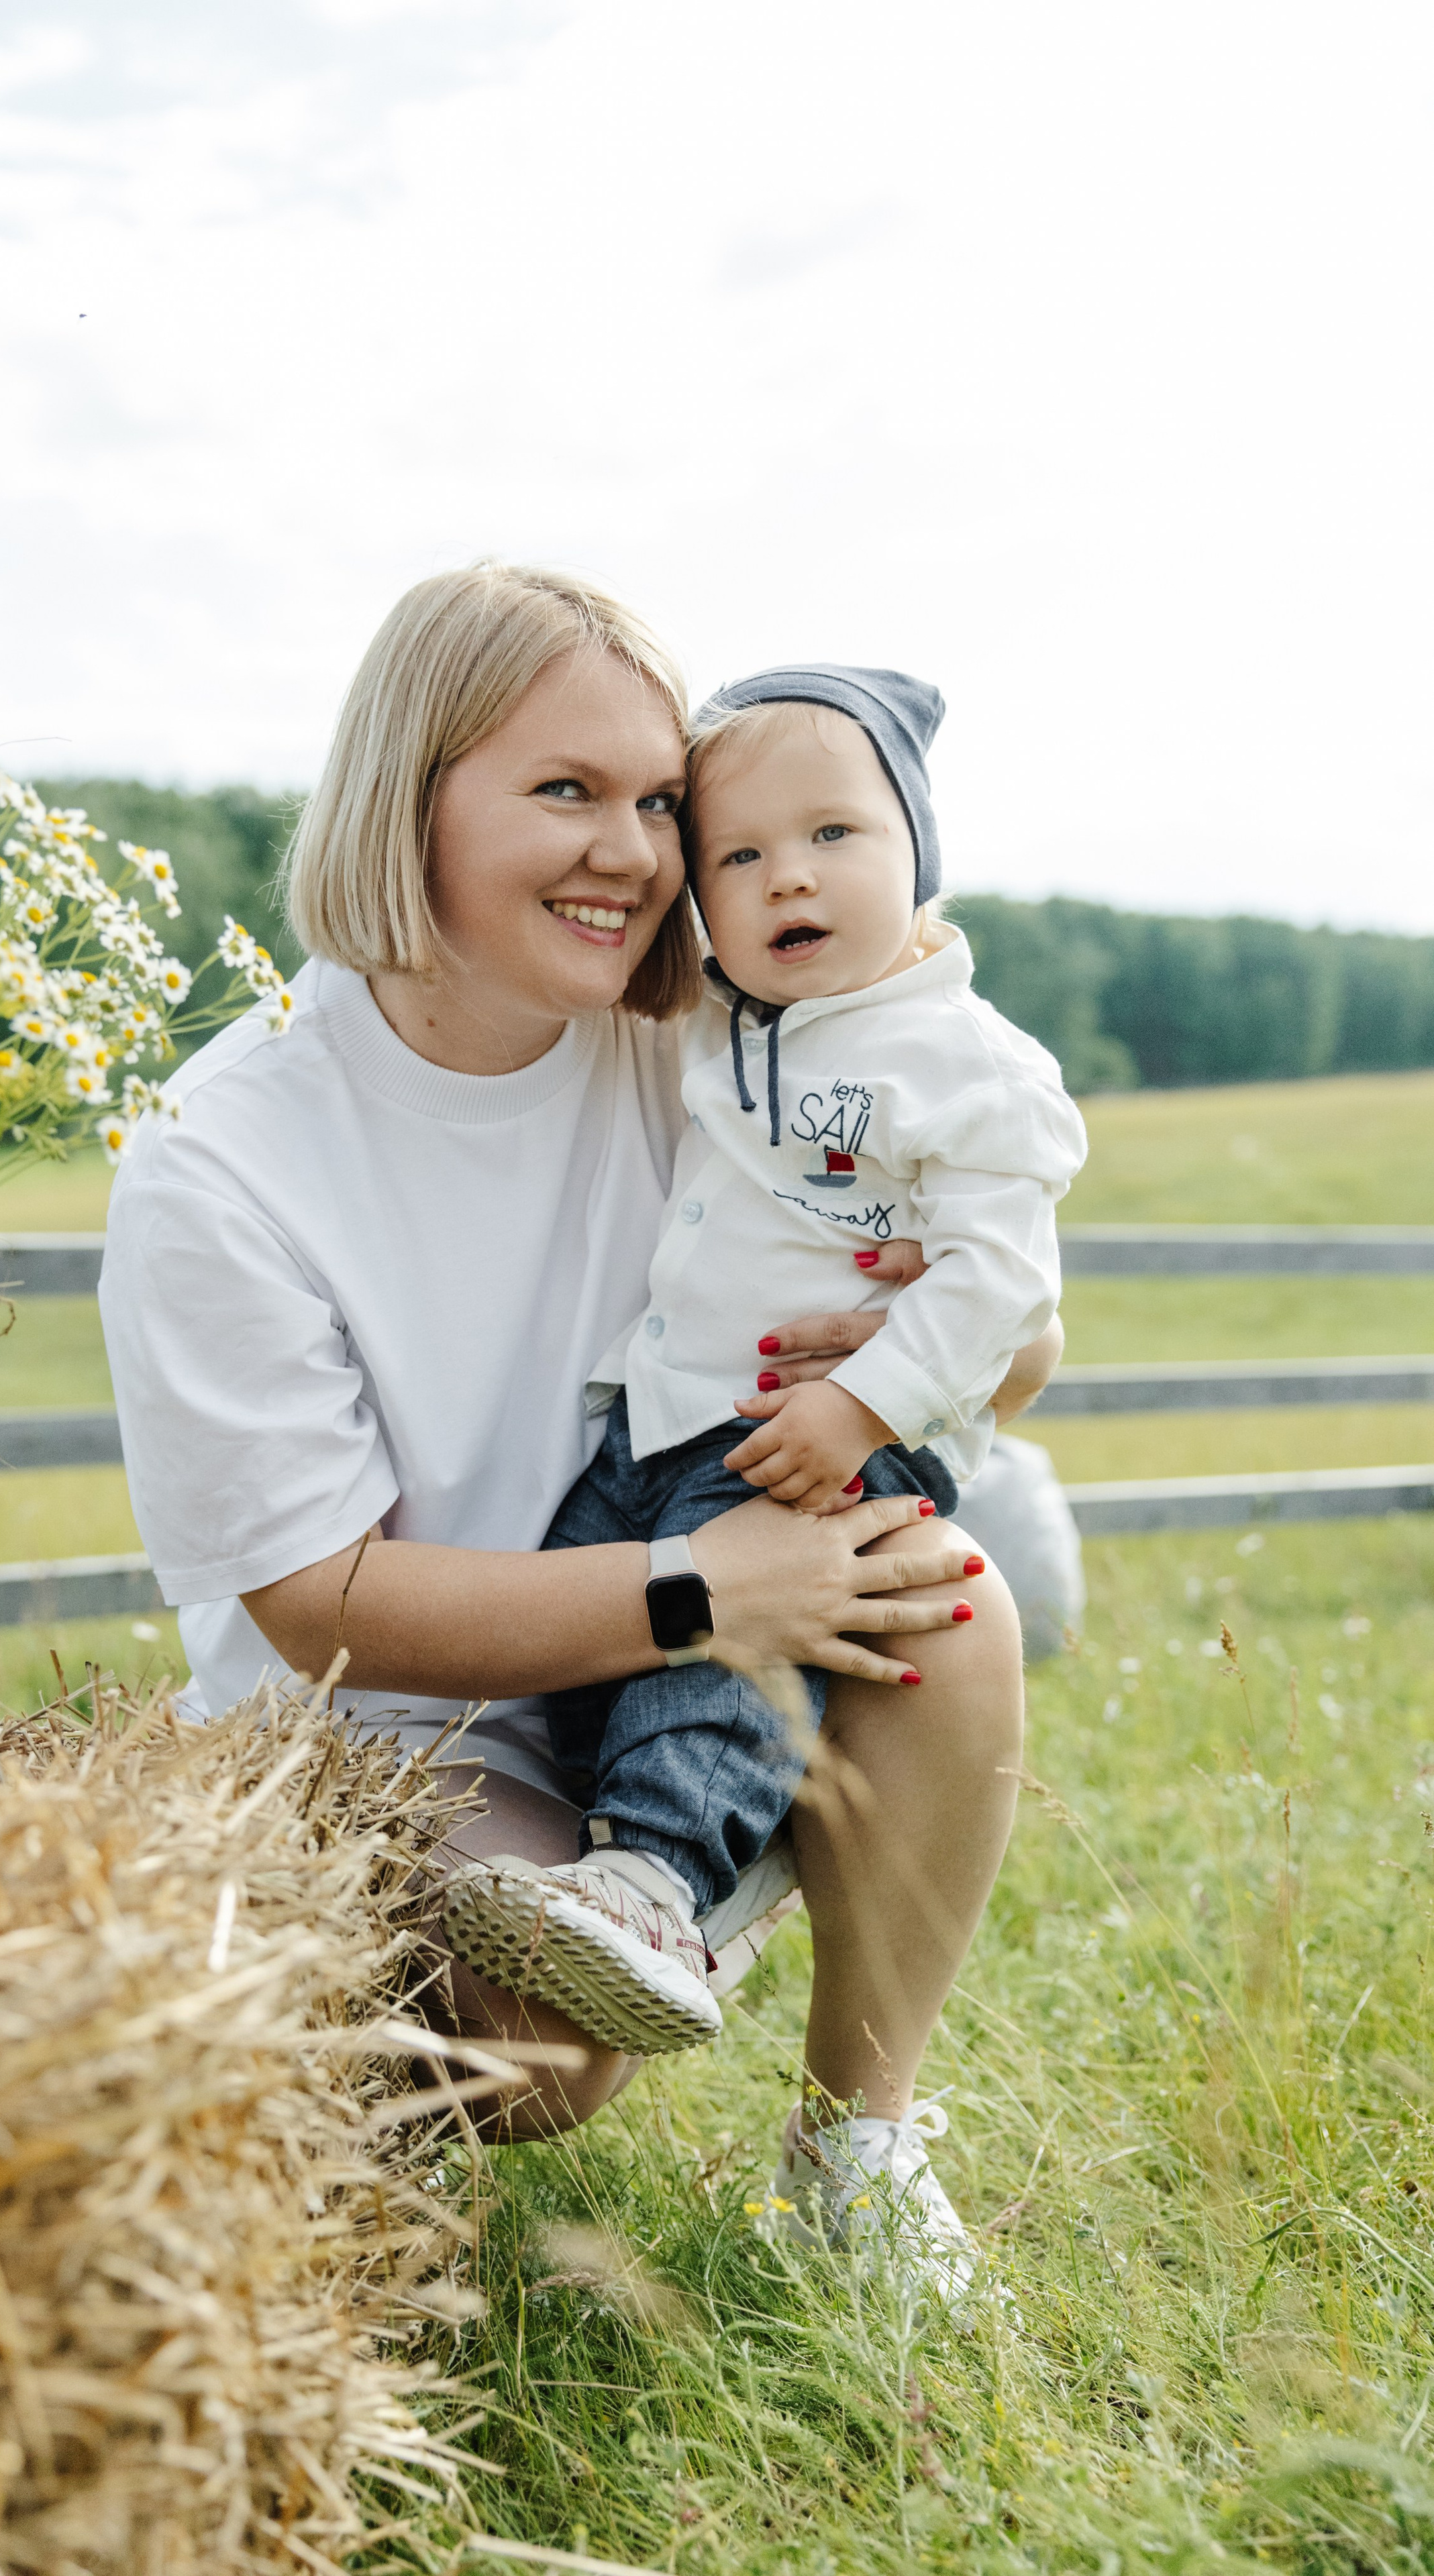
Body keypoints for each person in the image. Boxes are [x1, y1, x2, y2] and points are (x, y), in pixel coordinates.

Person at [99, 567, 1057, 2298]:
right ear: (410, 795)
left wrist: (979, 1331)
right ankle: (315, 2088)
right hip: (395, 1715)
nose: (630, 851)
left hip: (666, 1623)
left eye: (658, 803)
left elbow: (993, 1317)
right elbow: (315, 1606)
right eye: (563, 792)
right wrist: (704, 1593)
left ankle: (855, 2149)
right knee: (549, 2042)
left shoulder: (705, 1051)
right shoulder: (224, 1154)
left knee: (947, 1594)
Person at [439, 667, 1088, 2157]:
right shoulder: (724, 1021)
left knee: (724, 1638)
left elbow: (998, 1281)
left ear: (917, 854)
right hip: (668, 1418)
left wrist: (864, 1403)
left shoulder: (969, 1064)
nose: (786, 873)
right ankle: (704, 1856)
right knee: (588, 1616)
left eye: (836, 835)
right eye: (737, 857)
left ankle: (653, 1886)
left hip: (837, 1434)